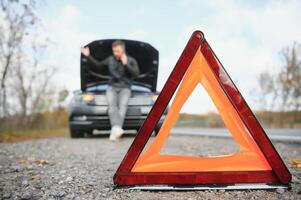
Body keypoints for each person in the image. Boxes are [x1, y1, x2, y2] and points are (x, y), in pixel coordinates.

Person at [80, 40, 139, 141]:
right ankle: (117, 129)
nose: (115, 53)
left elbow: (136, 74)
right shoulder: (110, 60)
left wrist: (126, 64)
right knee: (112, 106)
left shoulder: (131, 60)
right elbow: (98, 66)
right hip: (112, 87)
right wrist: (88, 56)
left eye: (118, 51)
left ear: (123, 50)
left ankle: (115, 130)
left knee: (122, 107)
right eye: (114, 51)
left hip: (125, 88)